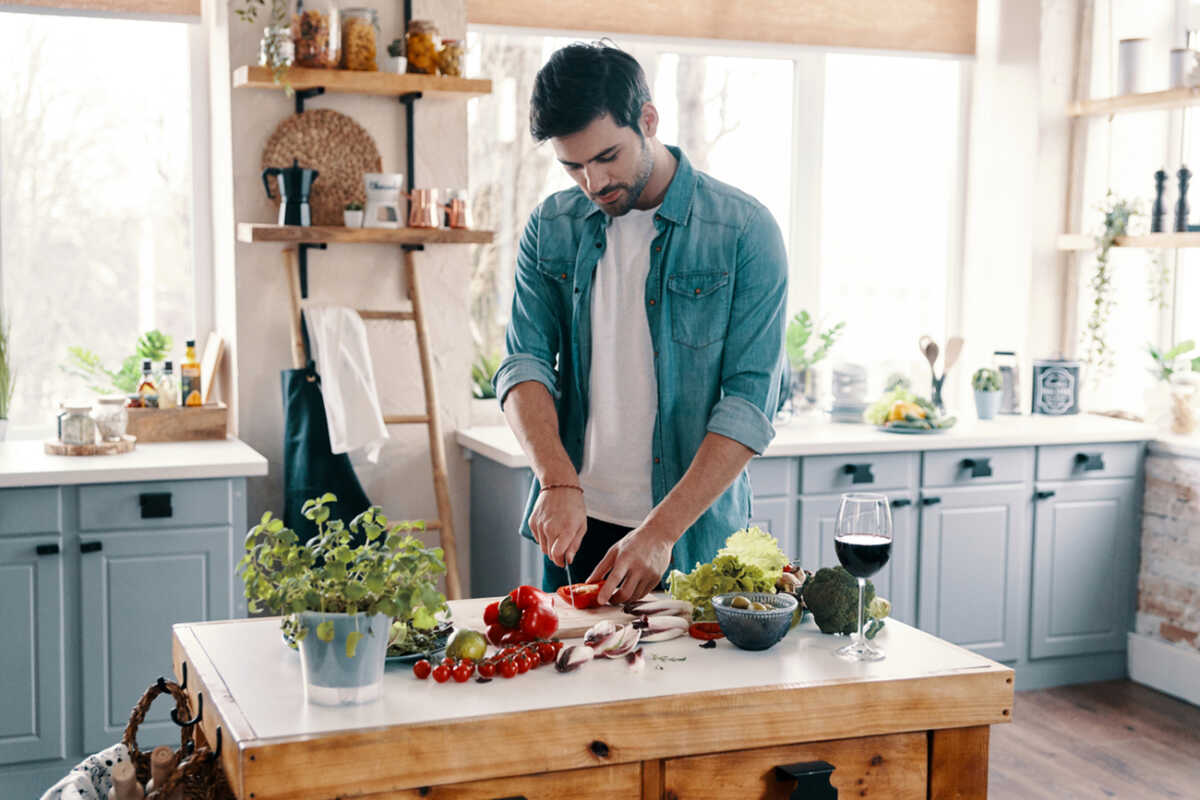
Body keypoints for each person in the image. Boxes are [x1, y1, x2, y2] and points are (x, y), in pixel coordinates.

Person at [493, 42, 789, 606]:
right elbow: (524, 363)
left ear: (648, 120)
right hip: (575, 523)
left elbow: (751, 403)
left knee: (689, 693)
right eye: (573, 165)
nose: (593, 182)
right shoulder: (549, 227)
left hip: (689, 534)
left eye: (608, 156)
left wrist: (659, 532)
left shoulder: (744, 231)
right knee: (578, 688)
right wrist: (557, 480)